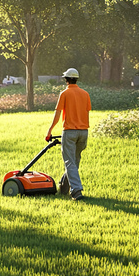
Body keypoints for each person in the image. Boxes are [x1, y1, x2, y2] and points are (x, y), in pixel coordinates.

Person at [46, 68, 91, 201]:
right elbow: (87, 113)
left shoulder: (64, 94)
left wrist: (50, 130)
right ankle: (63, 187)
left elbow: (58, 113)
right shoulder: (85, 94)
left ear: (66, 79)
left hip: (69, 132)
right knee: (74, 162)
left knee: (70, 162)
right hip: (84, 132)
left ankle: (76, 191)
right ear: (76, 79)